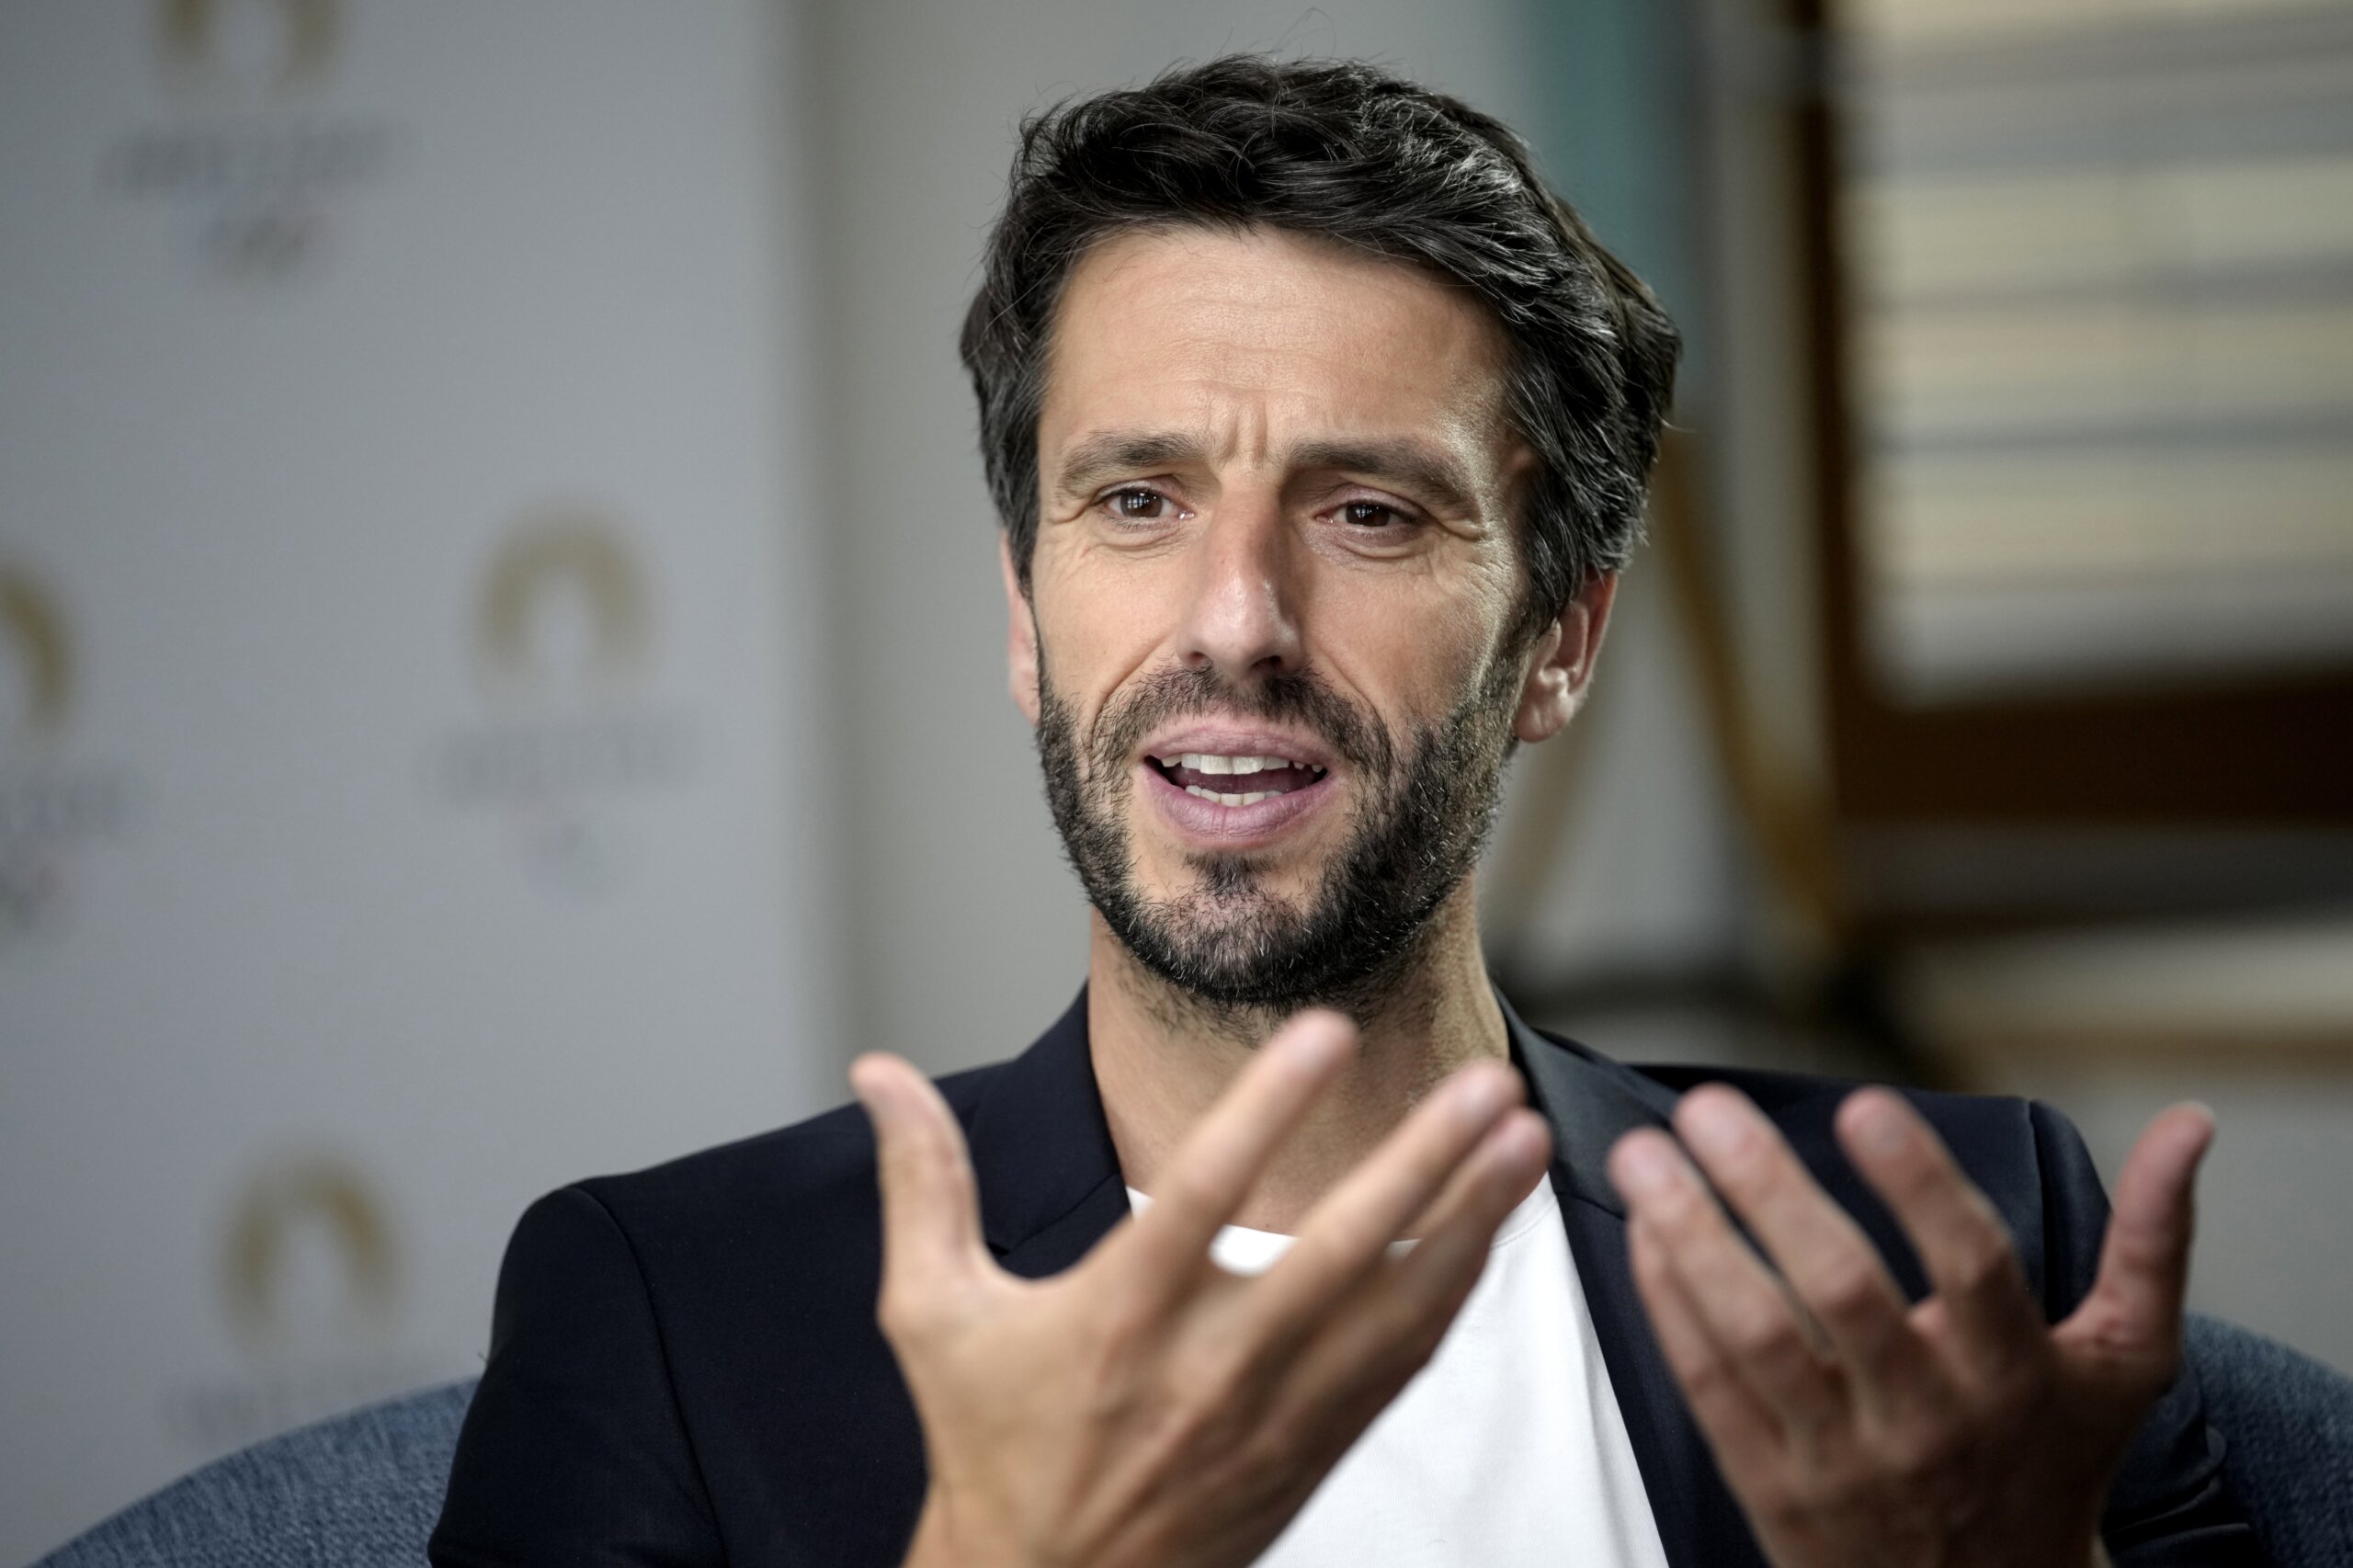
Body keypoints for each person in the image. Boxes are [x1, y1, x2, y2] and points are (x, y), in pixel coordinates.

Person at [430, 56, 2254, 1568]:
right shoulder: (672, 1316)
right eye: (1136, 503)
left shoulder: (1950, 1261)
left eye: (1368, 512)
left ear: (1558, 641)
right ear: (1024, 614)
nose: (1235, 618)